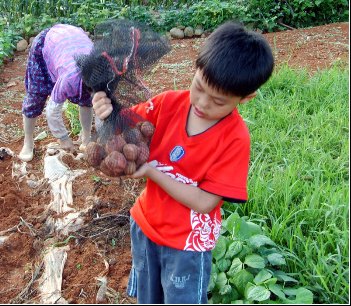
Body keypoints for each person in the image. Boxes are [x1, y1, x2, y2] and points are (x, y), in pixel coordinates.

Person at [92, 21, 274, 304]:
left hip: (187, 244)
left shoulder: (235, 139)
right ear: (196, 69)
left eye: (218, 101)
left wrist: (151, 171)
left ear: (245, 98)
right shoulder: (168, 104)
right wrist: (106, 111)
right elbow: (124, 128)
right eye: (199, 87)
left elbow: (204, 202)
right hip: (145, 226)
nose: (202, 103)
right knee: (148, 298)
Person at [18, 23, 95, 162]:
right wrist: (63, 138)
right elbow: (52, 110)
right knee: (36, 96)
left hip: (71, 41)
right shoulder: (70, 79)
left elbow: (101, 106)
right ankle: (28, 142)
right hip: (48, 43)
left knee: (87, 100)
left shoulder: (104, 72)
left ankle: (86, 139)